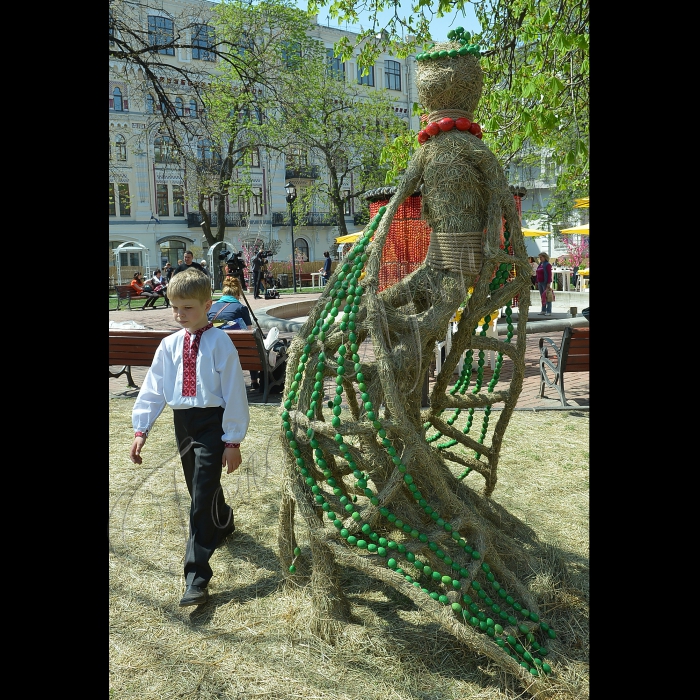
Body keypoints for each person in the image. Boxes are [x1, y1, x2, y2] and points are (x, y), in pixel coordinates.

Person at [129, 269, 250, 607]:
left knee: (199, 498)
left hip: (213, 423)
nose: (180, 315)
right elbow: (153, 388)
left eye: (188, 308)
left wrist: (232, 441)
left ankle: (196, 577)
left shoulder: (220, 342)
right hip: (183, 424)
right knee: (201, 486)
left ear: (208, 305)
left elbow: (234, 392)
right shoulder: (168, 345)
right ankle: (223, 521)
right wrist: (142, 430)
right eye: (176, 308)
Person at [208, 276, 261, 391]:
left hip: (214, 352)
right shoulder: (241, 308)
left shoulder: (211, 308)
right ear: (237, 293)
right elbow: (249, 332)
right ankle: (254, 381)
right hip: (239, 353)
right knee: (253, 344)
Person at [536, 252, 553, 316]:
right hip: (540, 282)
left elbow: (549, 274)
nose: (540, 259)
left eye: (541, 257)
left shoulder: (547, 264)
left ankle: (548, 311)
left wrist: (548, 283)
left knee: (547, 296)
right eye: (539, 257)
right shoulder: (540, 264)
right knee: (542, 297)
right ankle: (543, 310)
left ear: (544, 257)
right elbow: (538, 273)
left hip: (545, 282)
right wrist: (536, 281)